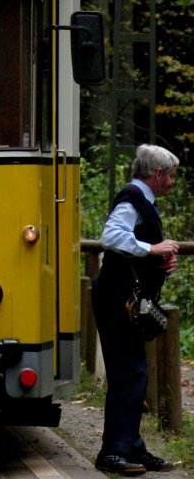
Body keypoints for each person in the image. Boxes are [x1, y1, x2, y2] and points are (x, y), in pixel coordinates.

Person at [92, 144, 180, 475]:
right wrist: (153, 248)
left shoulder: (142, 200)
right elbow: (111, 237)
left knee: (134, 374)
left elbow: (134, 250)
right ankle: (113, 453)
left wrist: (159, 262)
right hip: (117, 299)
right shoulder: (132, 198)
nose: (172, 182)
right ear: (157, 173)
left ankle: (131, 447)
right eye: (171, 175)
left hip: (123, 297)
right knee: (128, 373)